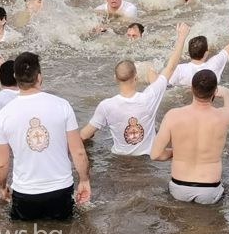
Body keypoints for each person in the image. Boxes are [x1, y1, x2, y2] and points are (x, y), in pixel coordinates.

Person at [0, 52, 91, 220]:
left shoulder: (4, 114)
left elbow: (1, 164)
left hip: (25, 193)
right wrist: (84, 180)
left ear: (16, 77)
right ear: (39, 77)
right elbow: (79, 152)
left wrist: (2, 187)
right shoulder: (62, 105)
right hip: (60, 190)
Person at [80, 23, 189, 155]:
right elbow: (170, 67)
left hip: (119, 163)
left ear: (115, 78)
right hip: (147, 161)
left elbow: (84, 135)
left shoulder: (106, 106)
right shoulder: (149, 97)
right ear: (136, 78)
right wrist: (182, 37)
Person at [150, 70, 229, 204]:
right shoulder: (224, 116)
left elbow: (155, 155)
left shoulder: (173, 116)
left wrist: (178, 152)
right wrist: (226, 94)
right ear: (215, 92)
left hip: (179, 187)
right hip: (210, 189)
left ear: (192, 89)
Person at [168, 0, 229, 87]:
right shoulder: (214, 64)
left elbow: (165, 83)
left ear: (189, 53)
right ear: (206, 53)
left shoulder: (179, 70)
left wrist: (181, 38)